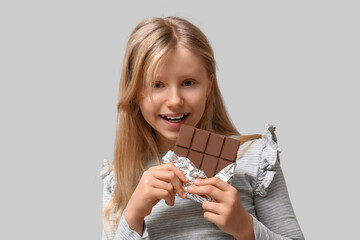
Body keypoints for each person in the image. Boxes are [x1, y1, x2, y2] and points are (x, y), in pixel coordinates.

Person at [100, 16, 304, 240]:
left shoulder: (254, 159)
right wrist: (133, 216)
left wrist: (245, 228)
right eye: (157, 85)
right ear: (136, 92)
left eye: (188, 83)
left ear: (209, 85)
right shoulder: (121, 177)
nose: (175, 100)